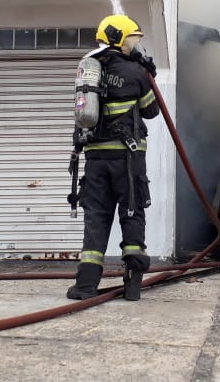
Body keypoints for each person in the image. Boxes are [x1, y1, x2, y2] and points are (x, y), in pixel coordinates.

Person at [67, 15, 159, 301]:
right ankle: (132, 285)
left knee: (96, 216)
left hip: (95, 157)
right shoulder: (136, 72)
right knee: (132, 212)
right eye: (133, 39)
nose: (136, 44)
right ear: (119, 39)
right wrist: (149, 75)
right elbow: (151, 111)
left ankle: (85, 286)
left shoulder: (90, 68)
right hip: (127, 156)